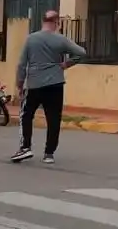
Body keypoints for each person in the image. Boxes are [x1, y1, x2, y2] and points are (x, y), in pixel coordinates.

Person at [11, 10, 87, 164]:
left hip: (34, 84)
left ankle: (25, 147)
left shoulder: (31, 39)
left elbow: (21, 64)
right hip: (55, 84)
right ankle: (49, 153)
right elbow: (81, 52)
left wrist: (19, 83)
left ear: (43, 21)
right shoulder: (60, 40)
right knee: (53, 118)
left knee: (26, 115)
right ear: (56, 22)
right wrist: (66, 64)